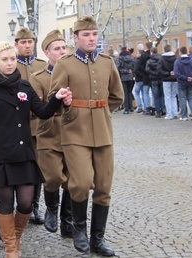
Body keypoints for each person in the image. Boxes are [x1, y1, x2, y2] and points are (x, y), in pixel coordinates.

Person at [0, 41, 71, 257]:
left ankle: (15, 237)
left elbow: (43, 112)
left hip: (23, 152)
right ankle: (11, 248)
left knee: (27, 204)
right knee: (6, 202)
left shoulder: (25, 86)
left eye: (13, 59)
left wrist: (56, 98)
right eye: (5, 59)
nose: (10, 63)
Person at [49, 16, 124, 256]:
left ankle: (97, 240)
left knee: (103, 186)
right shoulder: (65, 63)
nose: (91, 38)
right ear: (76, 38)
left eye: (94, 34)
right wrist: (69, 106)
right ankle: (78, 229)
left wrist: (99, 112)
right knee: (80, 183)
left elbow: (117, 97)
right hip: (74, 131)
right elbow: (54, 97)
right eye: (86, 35)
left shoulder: (107, 62)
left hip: (103, 131)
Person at [29, 29, 73, 237]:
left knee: (74, 180)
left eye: (64, 47)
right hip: (49, 132)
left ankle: (68, 220)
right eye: (57, 49)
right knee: (53, 176)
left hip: (74, 131)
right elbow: (37, 107)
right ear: (47, 53)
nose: (62, 52)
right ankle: (52, 209)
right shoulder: (38, 78)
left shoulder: (74, 72)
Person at [14, 27, 47, 225]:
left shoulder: (42, 65)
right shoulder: (11, 65)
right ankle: (19, 204)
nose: (27, 46)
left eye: (30, 42)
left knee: (37, 168)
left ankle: (34, 206)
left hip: (39, 126)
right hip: (17, 124)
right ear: (16, 44)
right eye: (23, 42)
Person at [174, 46, 192, 120]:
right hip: (191, 81)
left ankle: (184, 115)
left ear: (180, 52)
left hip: (182, 82)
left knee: (182, 99)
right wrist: (191, 77)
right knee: (191, 97)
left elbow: (177, 73)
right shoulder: (191, 60)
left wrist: (185, 78)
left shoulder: (177, 62)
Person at [158, 45, 178, 119]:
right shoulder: (175, 58)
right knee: (173, 96)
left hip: (166, 79)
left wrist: (167, 73)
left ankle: (169, 114)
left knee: (167, 97)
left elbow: (159, 70)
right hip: (174, 79)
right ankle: (175, 112)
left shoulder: (162, 58)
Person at [115, 47, 135, 114]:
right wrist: (131, 71)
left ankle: (126, 109)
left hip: (123, 77)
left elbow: (118, 68)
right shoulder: (132, 58)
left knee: (125, 93)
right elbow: (134, 66)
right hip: (131, 76)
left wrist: (123, 72)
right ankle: (131, 107)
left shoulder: (119, 59)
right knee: (130, 91)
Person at [145, 47, 163, 117]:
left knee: (156, 96)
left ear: (152, 52)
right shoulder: (161, 59)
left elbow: (147, 69)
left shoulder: (149, 60)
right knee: (162, 95)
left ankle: (158, 112)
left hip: (153, 79)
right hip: (161, 78)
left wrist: (153, 73)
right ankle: (163, 109)